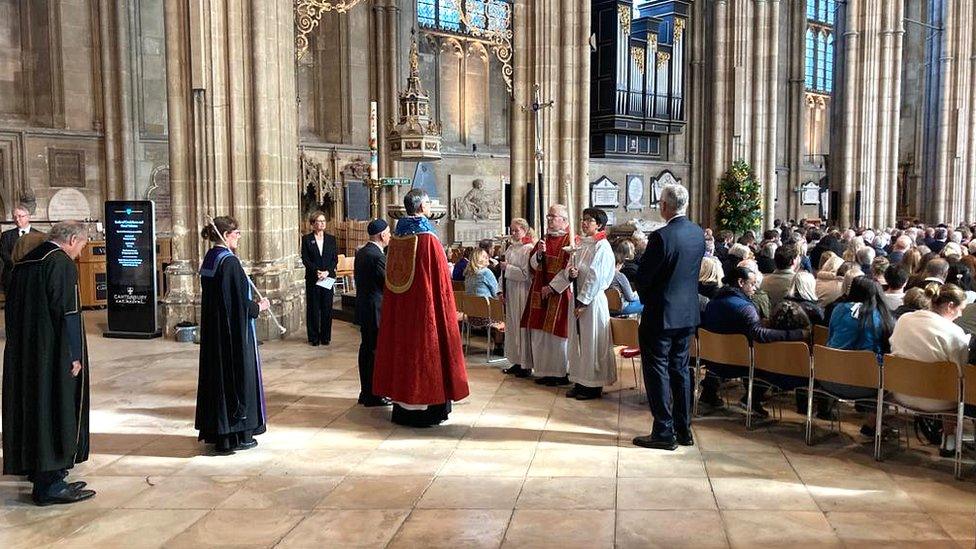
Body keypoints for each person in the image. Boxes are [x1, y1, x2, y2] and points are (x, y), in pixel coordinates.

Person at [3, 221, 95, 506]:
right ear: (70, 239)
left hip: (25, 354)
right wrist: (75, 355)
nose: (80, 253)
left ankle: (43, 473)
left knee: (35, 409)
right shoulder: (59, 263)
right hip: (54, 354)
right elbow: (67, 312)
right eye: (81, 245)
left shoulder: (24, 264)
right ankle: (51, 483)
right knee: (57, 407)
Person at [373, 189, 469, 427]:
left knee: (405, 354)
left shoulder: (397, 239)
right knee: (426, 354)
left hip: (403, 311)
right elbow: (441, 282)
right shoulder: (428, 239)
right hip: (426, 309)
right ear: (421, 207)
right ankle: (427, 408)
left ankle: (403, 407)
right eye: (428, 202)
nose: (429, 206)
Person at [633, 183, 705, 451]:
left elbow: (644, 276)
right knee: (680, 370)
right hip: (687, 314)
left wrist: (645, 295)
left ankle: (663, 431)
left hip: (661, 314)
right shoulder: (698, 233)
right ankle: (683, 429)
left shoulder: (661, 236)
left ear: (665, 206)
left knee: (657, 370)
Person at [196, 216, 269, 453]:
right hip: (231, 335)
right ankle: (239, 435)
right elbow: (238, 305)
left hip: (215, 333)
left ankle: (221, 436)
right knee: (238, 377)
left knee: (217, 378)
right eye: (237, 233)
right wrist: (259, 307)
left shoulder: (210, 259)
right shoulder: (230, 263)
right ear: (226, 235)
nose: (239, 236)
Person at [697, 267, 807, 418]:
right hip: (739, 363)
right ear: (741, 282)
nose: (755, 288)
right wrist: (796, 334)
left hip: (712, 361)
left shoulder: (713, 303)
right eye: (753, 283)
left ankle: (709, 393)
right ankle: (752, 400)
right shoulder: (745, 307)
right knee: (768, 360)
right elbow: (759, 334)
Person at [889, 283, 971, 456]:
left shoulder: (904, 320)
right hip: (938, 400)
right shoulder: (955, 333)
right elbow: (960, 372)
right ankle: (948, 438)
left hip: (899, 392)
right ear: (950, 306)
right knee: (954, 385)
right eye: (961, 309)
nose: (961, 314)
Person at [565, 208, 616, 400]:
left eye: (589, 220)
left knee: (591, 342)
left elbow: (596, 276)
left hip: (592, 301)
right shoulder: (580, 244)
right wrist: (570, 273)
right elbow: (569, 268)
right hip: (577, 299)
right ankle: (579, 380)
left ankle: (593, 385)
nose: (584, 223)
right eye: (583, 219)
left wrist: (583, 301)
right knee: (578, 341)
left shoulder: (601, 246)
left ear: (599, 224)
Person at [521, 204, 574, 387]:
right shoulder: (543, 239)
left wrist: (552, 287)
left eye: (553, 216)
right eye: (548, 216)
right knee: (540, 334)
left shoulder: (571, 241)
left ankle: (560, 373)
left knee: (557, 336)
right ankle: (544, 371)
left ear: (565, 220)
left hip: (559, 295)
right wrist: (539, 255)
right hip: (539, 291)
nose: (549, 220)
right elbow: (533, 265)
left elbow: (571, 268)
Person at [354, 219, 391, 407]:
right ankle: (374, 395)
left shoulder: (362, 252)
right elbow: (388, 283)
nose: (390, 236)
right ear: (382, 235)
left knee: (366, 350)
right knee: (374, 352)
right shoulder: (377, 256)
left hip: (364, 308)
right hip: (375, 310)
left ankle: (365, 391)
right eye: (389, 233)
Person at [500, 218, 536, 377]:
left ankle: (525, 364)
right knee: (512, 328)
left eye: (516, 230)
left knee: (521, 328)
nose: (513, 233)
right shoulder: (511, 249)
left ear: (525, 230)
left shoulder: (528, 249)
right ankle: (515, 360)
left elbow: (524, 274)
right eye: (512, 230)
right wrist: (500, 291)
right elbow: (503, 274)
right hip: (511, 291)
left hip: (522, 291)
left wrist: (507, 267)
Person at [300, 211, 339, 346]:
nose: (322, 223)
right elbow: (305, 259)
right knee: (313, 308)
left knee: (327, 307)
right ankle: (314, 337)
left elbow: (334, 259)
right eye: (319, 221)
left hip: (327, 277)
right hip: (313, 278)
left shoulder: (331, 239)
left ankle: (325, 336)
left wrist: (327, 272)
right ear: (313, 224)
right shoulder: (306, 239)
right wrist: (317, 271)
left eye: (323, 221)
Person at [464, 248, 504, 356]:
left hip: (472, 315)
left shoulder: (468, 274)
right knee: (504, 313)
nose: (488, 258)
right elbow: (496, 292)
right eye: (485, 257)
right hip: (486, 316)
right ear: (481, 259)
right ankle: (499, 346)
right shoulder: (486, 272)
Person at [0, 204, 41, 293]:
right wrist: (18, 265)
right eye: (15, 217)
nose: (17, 219)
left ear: (28, 217)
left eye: (20, 216)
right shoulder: (6, 235)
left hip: (32, 277)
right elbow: (4, 254)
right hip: (12, 276)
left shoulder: (39, 236)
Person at [611, 250, 643, 316]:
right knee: (647, 303)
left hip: (607, 307)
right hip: (621, 307)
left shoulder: (603, 275)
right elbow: (630, 297)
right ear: (618, 264)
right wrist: (638, 296)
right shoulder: (619, 276)